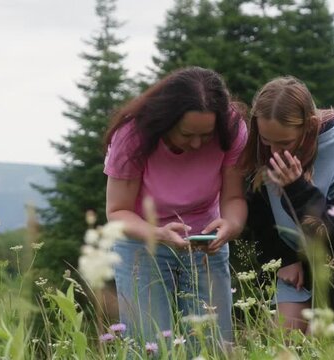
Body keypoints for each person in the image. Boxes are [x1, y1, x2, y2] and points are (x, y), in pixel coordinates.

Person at [103, 67, 247, 344]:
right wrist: (157, 234)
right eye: (186, 134)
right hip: (142, 242)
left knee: (212, 343)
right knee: (151, 344)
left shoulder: (232, 128)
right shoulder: (132, 135)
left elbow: (233, 198)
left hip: (206, 243)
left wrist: (231, 225)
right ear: (166, 121)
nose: (196, 143)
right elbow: (117, 211)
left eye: (206, 136)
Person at [240, 76, 334, 332]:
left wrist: (297, 188)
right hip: (291, 258)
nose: (274, 151)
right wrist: (283, 257)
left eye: (285, 143)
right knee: (283, 336)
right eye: (267, 141)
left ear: (308, 126)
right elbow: (259, 212)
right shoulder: (262, 145)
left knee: (326, 341)